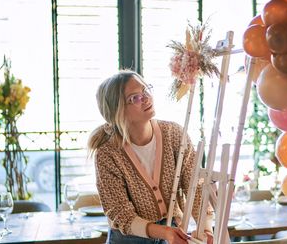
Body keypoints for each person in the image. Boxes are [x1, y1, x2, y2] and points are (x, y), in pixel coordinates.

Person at [88, 70, 214, 244]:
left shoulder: (174, 134)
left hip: (172, 233)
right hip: (129, 239)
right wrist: (165, 232)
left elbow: (195, 186)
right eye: (135, 98)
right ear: (118, 110)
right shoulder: (108, 153)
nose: (146, 98)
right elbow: (120, 213)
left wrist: (205, 228)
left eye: (146, 90)